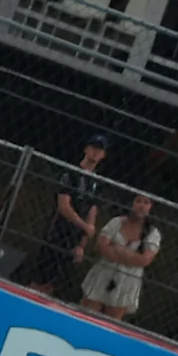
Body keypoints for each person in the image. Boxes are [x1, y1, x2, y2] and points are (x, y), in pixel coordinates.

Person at [24, 136, 111, 290]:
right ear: (86, 149)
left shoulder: (96, 182)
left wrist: (82, 242)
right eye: (94, 147)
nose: (96, 152)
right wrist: (84, 225)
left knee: (56, 280)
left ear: (104, 155)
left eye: (100, 150)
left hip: (75, 236)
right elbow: (64, 206)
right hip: (59, 231)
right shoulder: (71, 173)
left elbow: (92, 210)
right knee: (42, 276)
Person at [83, 192, 162, 318]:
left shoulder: (153, 233)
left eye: (146, 203)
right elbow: (101, 246)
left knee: (112, 319)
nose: (141, 205)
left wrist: (121, 251)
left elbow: (145, 259)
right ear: (131, 203)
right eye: (138, 201)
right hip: (104, 272)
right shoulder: (117, 222)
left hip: (127, 280)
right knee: (88, 311)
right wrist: (124, 255)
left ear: (151, 207)